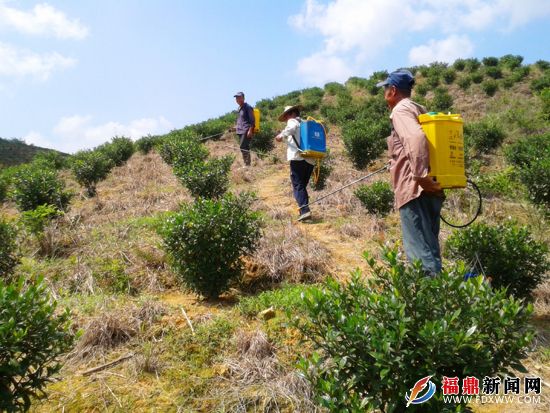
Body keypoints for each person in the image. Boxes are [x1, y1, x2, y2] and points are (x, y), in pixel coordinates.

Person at [377, 69, 444, 276]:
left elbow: (415, 139)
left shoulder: (400, 110)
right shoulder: (419, 110)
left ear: (393, 90)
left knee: (420, 252)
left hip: (414, 189)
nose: (384, 93)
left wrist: (420, 176)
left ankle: (430, 303)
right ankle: (439, 297)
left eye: (386, 88)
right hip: (431, 188)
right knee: (430, 248)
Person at [275, 105, 316, 222]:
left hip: (298, 158)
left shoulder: (293, 121)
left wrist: (281, 135)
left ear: (292, 114)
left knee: (298, 185)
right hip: (310, 159)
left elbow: (291, 128)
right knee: (302, 186)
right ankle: (304, 212)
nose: (286, 118)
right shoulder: (306, 123)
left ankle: (305, 211)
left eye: (287, 115)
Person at [233, 92, 255, 166]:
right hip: (240, 131)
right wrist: (234, 128)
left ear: (243, 98)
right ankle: (247, 164)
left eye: (239, 97)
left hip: (246, 130)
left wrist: (250, 130)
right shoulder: (239, 109)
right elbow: (241, 121)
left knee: (243, 146)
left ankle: (247, 165)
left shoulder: (247, 107)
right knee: (244, 147)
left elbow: (252, 120)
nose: (237, 99)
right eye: (236, 98)